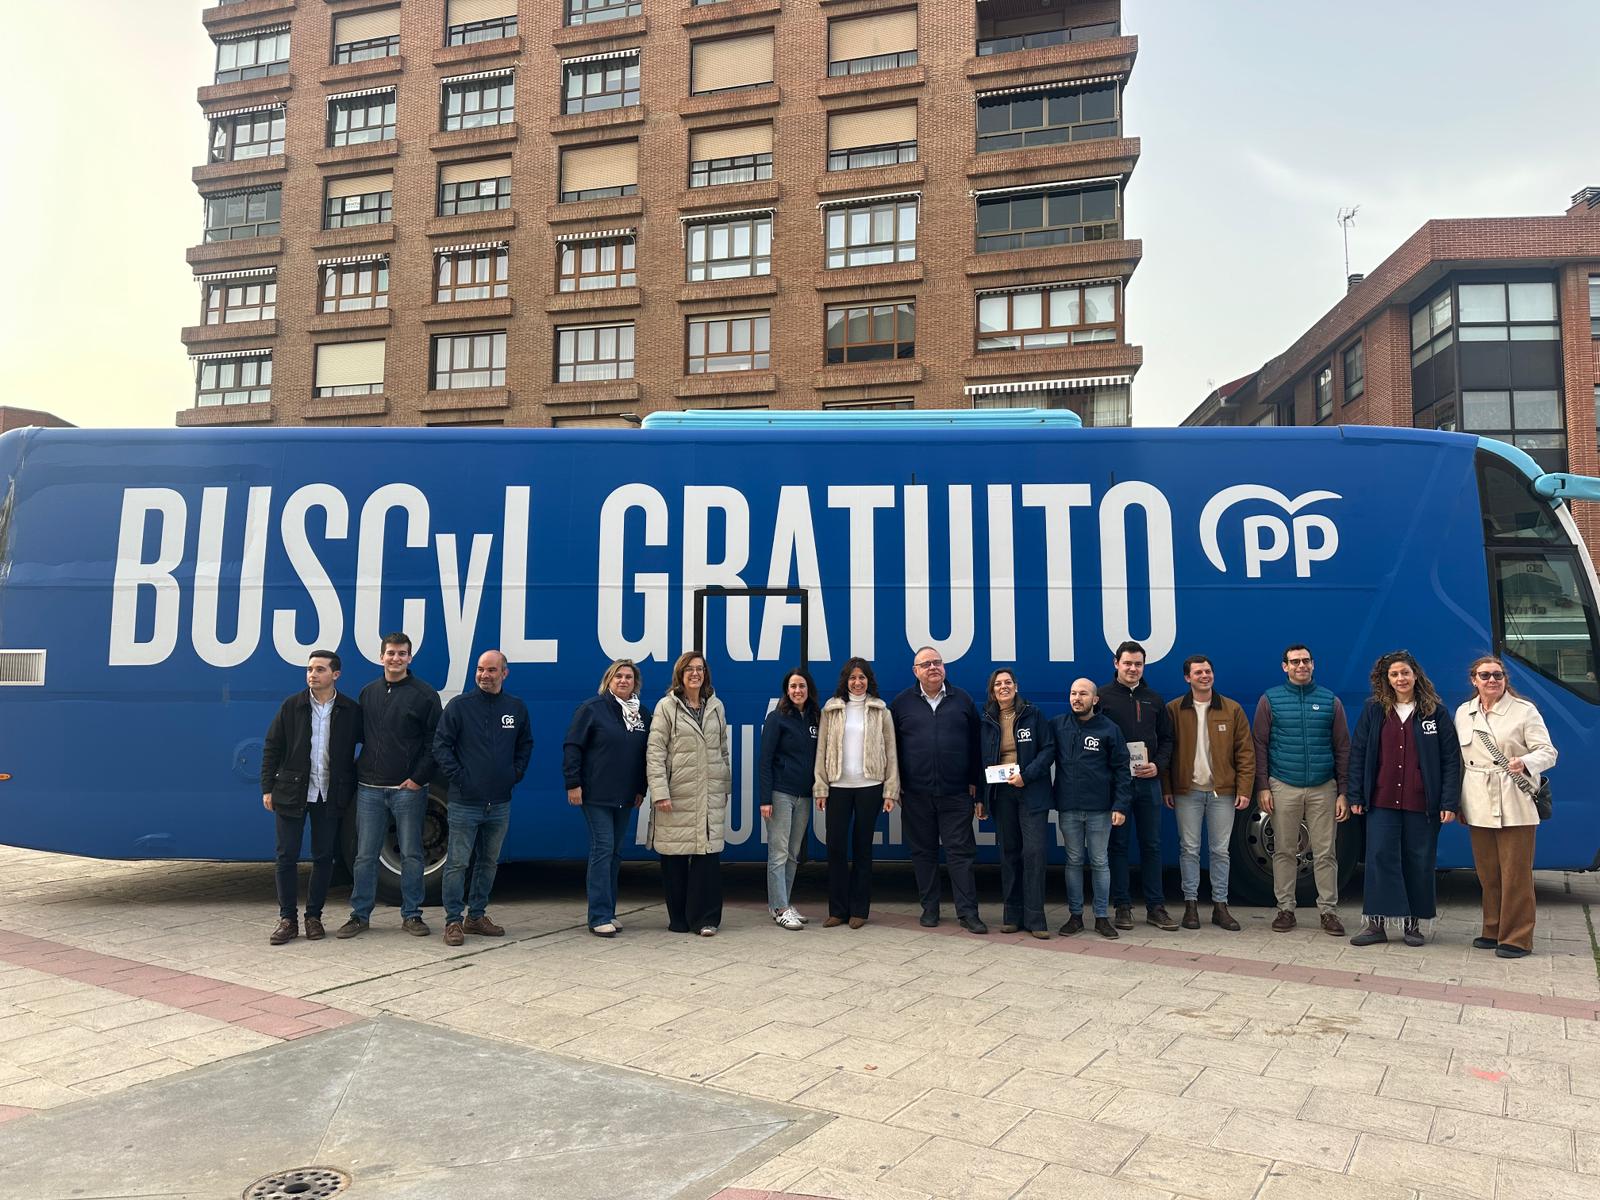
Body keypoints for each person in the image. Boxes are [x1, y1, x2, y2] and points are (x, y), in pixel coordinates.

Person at [1347, 650, 1462, 947]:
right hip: (1381, 800)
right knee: (1379, 859)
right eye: (1394, 674)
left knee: (1419, 861)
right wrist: (1356, 794)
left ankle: (1413, 925)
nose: (1401, 679)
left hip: (1422, 803)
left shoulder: (1434, 712)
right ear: (1386, 680)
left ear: (1416, 675)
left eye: (1405, 673)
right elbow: (1358, 753)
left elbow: (1451, 760)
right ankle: (1376, 924)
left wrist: (1449, 802)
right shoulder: (1374, 710)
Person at [338, 632, 442, 939]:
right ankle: (359, 915)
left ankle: (412, 915)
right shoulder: (368, 693)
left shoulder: (425, 695)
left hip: (407, 789)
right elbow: (358, 736)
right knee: (365, 855)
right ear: (381, 657)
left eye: (402, 654)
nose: (395, 658)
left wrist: (418, 778)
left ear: (410, 658)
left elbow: (434, 742)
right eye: (391, 653)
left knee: (412, 854)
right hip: (370, 788)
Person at [1454, 655, 1557, 959]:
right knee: (1488, 873)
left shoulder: (1524, 711)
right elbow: (1461, 761)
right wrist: (1458, 802)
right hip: (1477, 799)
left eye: (1497, 675)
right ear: (1474, 680)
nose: (1492, 681)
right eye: (1484, 676)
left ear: (1505, 679)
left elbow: (1549, 752)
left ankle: (1517, 937)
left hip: (1515, 797)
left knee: (1516, 873)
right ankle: (1493, 928)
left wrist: (1524, 762)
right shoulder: (1464, 713)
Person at [260, 650, 360, 945]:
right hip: (292, 792)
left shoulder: (350, 710)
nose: (312, 675)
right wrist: (268, 788)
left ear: (335, 675)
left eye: (319, 670)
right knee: (286, 855)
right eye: (309, 670)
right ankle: (287, 919)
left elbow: (371, 745)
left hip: (330, 794)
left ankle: (314, 917)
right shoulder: (292, 706)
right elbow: (272, 747)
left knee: (324, 856)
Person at [432, 650, 532, 946]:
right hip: (464, 802)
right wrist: (461, 778)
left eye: (491, 670)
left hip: (499, 802)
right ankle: (453, 921)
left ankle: (475, 917)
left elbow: (525, 744)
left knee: (488, 862)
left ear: (505, 673)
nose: (484, 675)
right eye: (480, 670)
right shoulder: (460, 707)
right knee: (458, 863)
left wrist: (514, 773)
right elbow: (441, 746)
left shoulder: (515, 707)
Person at [1253, 644, 1351, 936]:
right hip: (1283, 785)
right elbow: (1260, 744)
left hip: (1324, 787)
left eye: (1306, 661)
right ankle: (1285, 909)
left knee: (1326, 852)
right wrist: (1263, 786)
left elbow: (1342, 747)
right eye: (1294, 662)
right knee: (1283, 850)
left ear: (1313, 664)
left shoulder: (1330, 700)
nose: (1301, 666)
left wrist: (1343, 791)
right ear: (1285, 666)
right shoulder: (1270, 700)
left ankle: (1329, 912)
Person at [891, 647, 987, 934]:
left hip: (956, 793)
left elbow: (976, 746)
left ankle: (968, 913)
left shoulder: (963, 700)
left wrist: (977, 787)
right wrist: (894, 786)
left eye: (937, 662)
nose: (933, 667)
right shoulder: (901, 704)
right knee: (923, 853)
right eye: (926, 664)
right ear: (915, 671)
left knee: (961, 853)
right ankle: (930, 909)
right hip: (915, 794)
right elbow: (891, 749)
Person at [1162, 655, 1254, 932]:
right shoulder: (1174, 710)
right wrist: (1167, 788)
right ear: (1187, 678)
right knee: (1188, 850)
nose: (1205, 675)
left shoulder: (1232, 709)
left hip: (1222, 793)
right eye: (1198, 672)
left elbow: (1245, 753)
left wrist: (1245, 788)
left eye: (1208, 671)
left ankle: (1220, 907)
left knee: (1220, 851)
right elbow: (1166, 752)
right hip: (1186, 792)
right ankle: (1190, 906)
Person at [563, 659, 651, 938]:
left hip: (625, 795)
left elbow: (643, 756)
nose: (623, 681)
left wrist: (641, 788)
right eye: (618, 677)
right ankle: (598, 915)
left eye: (628, 677)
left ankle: (610, 911)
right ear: (609, 681)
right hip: (596, 794)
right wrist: (573, 783)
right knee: (603, 849)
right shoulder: (592, 709)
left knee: (615, 853)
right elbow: (572, 746)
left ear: (635, 683)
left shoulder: (641, 714)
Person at [646, 651, 730, 936]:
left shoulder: (716, 705)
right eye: (689, 669)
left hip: (709, 793)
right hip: (676, 794)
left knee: (707, 857)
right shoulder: (667, 707)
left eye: (700, 669)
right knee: (675, 858)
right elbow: (655, 752)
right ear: (680, 675)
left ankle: (706, 919)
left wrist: (724, 784)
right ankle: (679, 919)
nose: (696, 674)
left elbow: (723, 750)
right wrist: (659, 791)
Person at [1098, 641, 1179, 932]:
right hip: (1116, 785)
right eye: (1128, 663)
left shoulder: (1154, 699)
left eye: (1138, 664)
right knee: (1118, 846)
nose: (1133, 669)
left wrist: (1158, 765)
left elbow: (1167, 739)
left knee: (1152, 845)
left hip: (1148, 783)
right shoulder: (1102, 697)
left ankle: (1156, 907)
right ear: (1115, 663)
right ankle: (1122, 906)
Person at [814, 658, 899, 929]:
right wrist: (821, 786)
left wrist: (890, 791)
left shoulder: (880, 710)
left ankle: (859, 910)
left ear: (869, 680)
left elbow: (891, 751)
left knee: (863, 849)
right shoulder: (832, 709)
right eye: (852, 678)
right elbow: (822, 750)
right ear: (845, 681)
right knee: (836, 847)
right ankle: (837, 910)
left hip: (870, 787)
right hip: (838, 786)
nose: (857, 682)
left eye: (862, 677)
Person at [1050, 678, 1131, 937]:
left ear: (1095, 700)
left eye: (1083, 694)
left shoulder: (1109, 729)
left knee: (1099, 861)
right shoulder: (1058, 726)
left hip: (1100, 810)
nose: (1077, 698)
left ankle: (1101, 917)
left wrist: (1120, 805)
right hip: (1069, 807)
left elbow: (1122, 770)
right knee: (1073, 861)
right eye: (1073, 693)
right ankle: (1075, 917)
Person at [979, 668, 1055, 937]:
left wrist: (1027, 775)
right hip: (1002, 794)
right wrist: (981, 797)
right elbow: (981, 761)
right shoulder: (987, 718)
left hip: (1031, 791)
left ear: (1016, 686)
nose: (1003, 687)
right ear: (992, 690)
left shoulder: (1032, 715)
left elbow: (1048, 750)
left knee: (1033, 853)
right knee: (1009, 853)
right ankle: (1012, 915)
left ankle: (1036, 920)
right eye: (998, 684)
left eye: (1008, 682)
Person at [760, 667, 820, 931]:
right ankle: (781, 908)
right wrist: (765, 799)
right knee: (778, 852)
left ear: (809, 690)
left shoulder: (815, 719)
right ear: (786, 690)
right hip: (780, 794)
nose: (798, 691)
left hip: (805, 796)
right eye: (793, 686)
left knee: (793, 854)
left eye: (802, 686)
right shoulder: (777, 718)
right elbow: (765, 761)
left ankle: (781, 903)